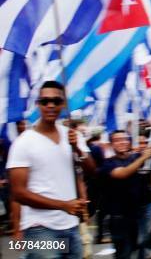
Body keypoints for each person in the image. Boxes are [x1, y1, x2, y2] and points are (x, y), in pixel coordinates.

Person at [7, 81, 93, 258]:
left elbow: (92, 170)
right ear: (38, 104)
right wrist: (63, 205)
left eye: (56, 100)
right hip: (38, 228)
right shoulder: (23, 142)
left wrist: (77, 148)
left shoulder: (72, 136)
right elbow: (18, 193)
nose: (51, 105)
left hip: (70, 225)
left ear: (63, 104)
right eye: (45, 101)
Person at [100, 130, 151, 259]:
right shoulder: (108, 163)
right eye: (117, 140)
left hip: (141, 211)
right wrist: (143, 157)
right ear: (111, 144)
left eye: (125, 139)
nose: (122, 142)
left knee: (143, 246)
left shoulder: (137, 157)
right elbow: (122, 173)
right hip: (120, 216)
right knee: (124, 251)